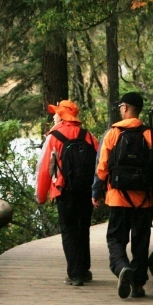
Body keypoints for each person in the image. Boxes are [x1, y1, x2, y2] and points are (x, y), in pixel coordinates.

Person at [91, 91, 153, 299]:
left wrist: (97, 191)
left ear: (125, 108)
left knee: (116, 238)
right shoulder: (150, 135)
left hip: (118, 197)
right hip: (145, 200)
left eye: (120, 107)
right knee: (141, 241)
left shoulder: (113, 134)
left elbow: (102, 166)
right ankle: (138, 284)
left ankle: (121, 268)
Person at [38, 99, 99, 286]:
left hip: (63, 190)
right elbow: (100, 165)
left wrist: (41, 196)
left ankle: (75, 274)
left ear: (63, 115)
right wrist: (99, 192)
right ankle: (84, 269)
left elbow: (44, 170)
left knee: (69, 231)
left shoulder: (54, 137)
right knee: (83, 229)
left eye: (56, 113)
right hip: (86, 190)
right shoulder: (88, 136)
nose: (54, 115)